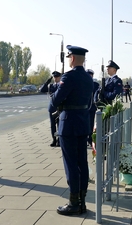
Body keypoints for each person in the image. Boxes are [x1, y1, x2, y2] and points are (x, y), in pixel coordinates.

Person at [51, 45, 93, 216]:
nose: (68, 59)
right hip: (83, 123)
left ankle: (74, 202)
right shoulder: (88, 78)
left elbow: (55, 101)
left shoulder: (68, 77)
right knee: (82, 162)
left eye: (68, 57)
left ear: (73, 58)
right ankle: (82, 200)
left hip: (68, 124)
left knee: (70, 163)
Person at [39, 71, 61, 147]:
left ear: (60, 77)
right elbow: (42, 90)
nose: (55, 79)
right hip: (52, 108)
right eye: (54, 77)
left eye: (57, 77)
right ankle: (54, 140)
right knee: (52, 125)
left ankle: (59, 140)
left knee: (60, 125)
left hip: (60, 108)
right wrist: (47, 81)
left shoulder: (61, 86)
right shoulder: (51, 86)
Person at [86, 69, 99, 147]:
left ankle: (90, 139)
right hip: (83, 108)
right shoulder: (82, 83)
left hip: (92, 108)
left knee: (90, 124)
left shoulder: (96, 85)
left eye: (90, 75)